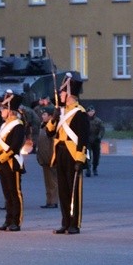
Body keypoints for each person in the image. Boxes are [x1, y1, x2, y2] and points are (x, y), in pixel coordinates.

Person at [46, 72, 89, 235]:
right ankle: (65, 222)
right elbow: (50, 133)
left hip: (73, 154)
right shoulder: (61, 113)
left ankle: (74, 223)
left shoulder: (80, 113)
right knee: (63, 190)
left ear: (69, 94)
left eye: (62, 92)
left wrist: (80, 158)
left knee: (73, 191)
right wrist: (54, 118)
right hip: (60, 153)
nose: (60, 95)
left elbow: (83, 139)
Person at [0, 91, 26, 232]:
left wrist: (1, 157)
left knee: (15, 192)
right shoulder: (4, 125)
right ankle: (8, 220)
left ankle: (16, 221)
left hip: (12, 162)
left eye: (3, 108)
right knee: (7, 193)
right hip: (1, 162)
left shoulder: (18, 125)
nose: (1, 111)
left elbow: (15, 146)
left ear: (10, 110)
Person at [37, 106, 58, 209]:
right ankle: (49, 200)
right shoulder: (42, 126)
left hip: (50, 158)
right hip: (44, 158)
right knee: (47, 181)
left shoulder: (52, 128)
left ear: (50, 116)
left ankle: (53, 201)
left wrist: (53, 158)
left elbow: (54, 144)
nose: (42, 116)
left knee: (53, 181)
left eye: (45, 114)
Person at [86, 105, 105, 177]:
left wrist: (99, 136)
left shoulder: (98, 121)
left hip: (96, 140)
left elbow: (102, 129)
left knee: (96, 156)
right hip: (87, 141)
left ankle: (95, 168)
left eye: (92, 111)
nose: (91, 113)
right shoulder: (85, 120)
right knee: (88, 156)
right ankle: (88, 169)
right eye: (89, 111)